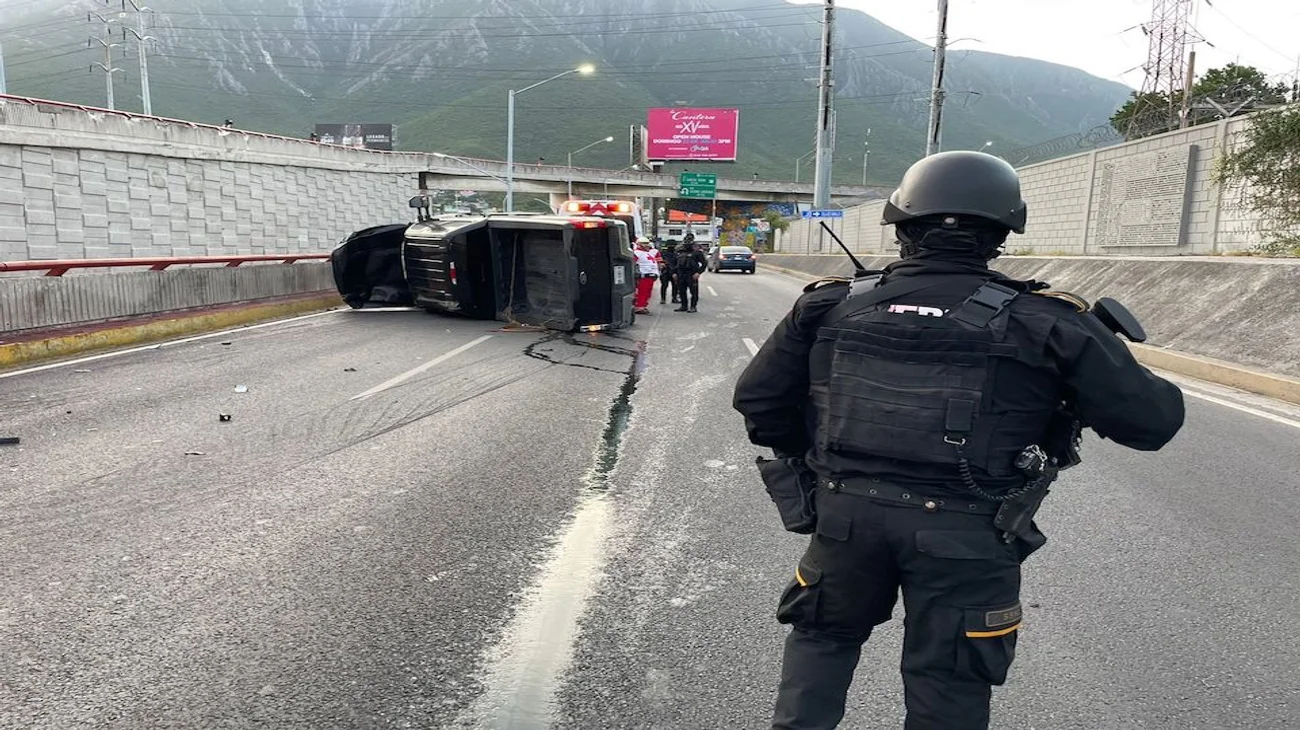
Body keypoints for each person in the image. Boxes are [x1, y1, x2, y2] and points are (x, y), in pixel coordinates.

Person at [732, 150, 1186, 730]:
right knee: (948, 685)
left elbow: (760, 401)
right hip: (969, 534)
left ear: (902, 226)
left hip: (844, 519)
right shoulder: (1048, 320)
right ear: (1002, 231)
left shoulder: (830, 305)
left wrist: (817, 467)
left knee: (821, 646)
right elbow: (1152, 425)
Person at [674, 241, 707, 313]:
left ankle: (693, 307)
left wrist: (698, 273)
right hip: (681, 274)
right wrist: (674, 273)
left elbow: (704, 264)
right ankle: (684, 306)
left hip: (691, 274)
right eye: (685, 244)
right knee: (682, 291)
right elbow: (676, 264)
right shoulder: (680, 253)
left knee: (694, 292)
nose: (687, 246)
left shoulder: (697, 253)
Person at [631, 236, 661, 315]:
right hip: (643, 275)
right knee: (642, 292)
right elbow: (633, 264)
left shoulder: (648, 252)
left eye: (647, 243)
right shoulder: (636, 253)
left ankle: (643, 305)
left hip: (650, 276)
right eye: (645, 244)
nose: (647, 245)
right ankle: (639, 306)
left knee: (647, 292)